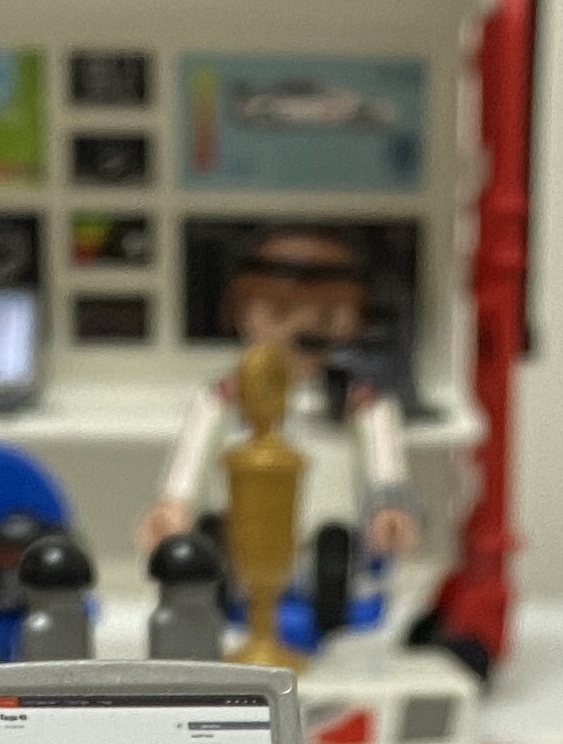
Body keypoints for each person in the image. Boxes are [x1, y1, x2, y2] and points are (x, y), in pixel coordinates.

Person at [139, 224, 425, 593]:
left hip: (325, 535)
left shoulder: (358, 401)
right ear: (241, 311)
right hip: (242, 531)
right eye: (280, 311)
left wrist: (389, 503)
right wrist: (176, 503)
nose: (304, 326)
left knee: (333, 557)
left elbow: (382, 455)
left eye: (326, 313)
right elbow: (193, 452)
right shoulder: (226, 396)